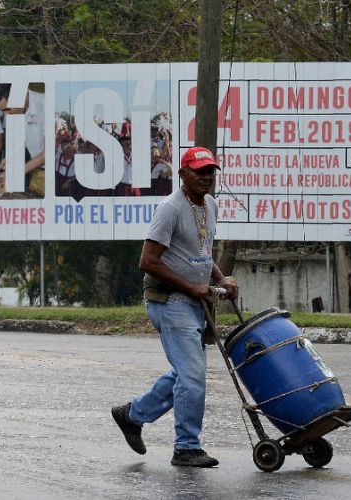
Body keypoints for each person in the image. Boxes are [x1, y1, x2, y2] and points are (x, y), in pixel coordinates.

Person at [111, 146, 237, 467]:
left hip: (197, 300)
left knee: (186, 372)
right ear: (182, 174)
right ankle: (186, 448)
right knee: (192, 374)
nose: (206, 177)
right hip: (169, 301)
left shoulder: (210, 205)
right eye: (198, 171)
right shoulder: (170, 208)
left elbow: (203, 254)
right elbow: (148, 261)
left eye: (210, 171)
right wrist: (192, 287)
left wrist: (221, 281)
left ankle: (132, 415)